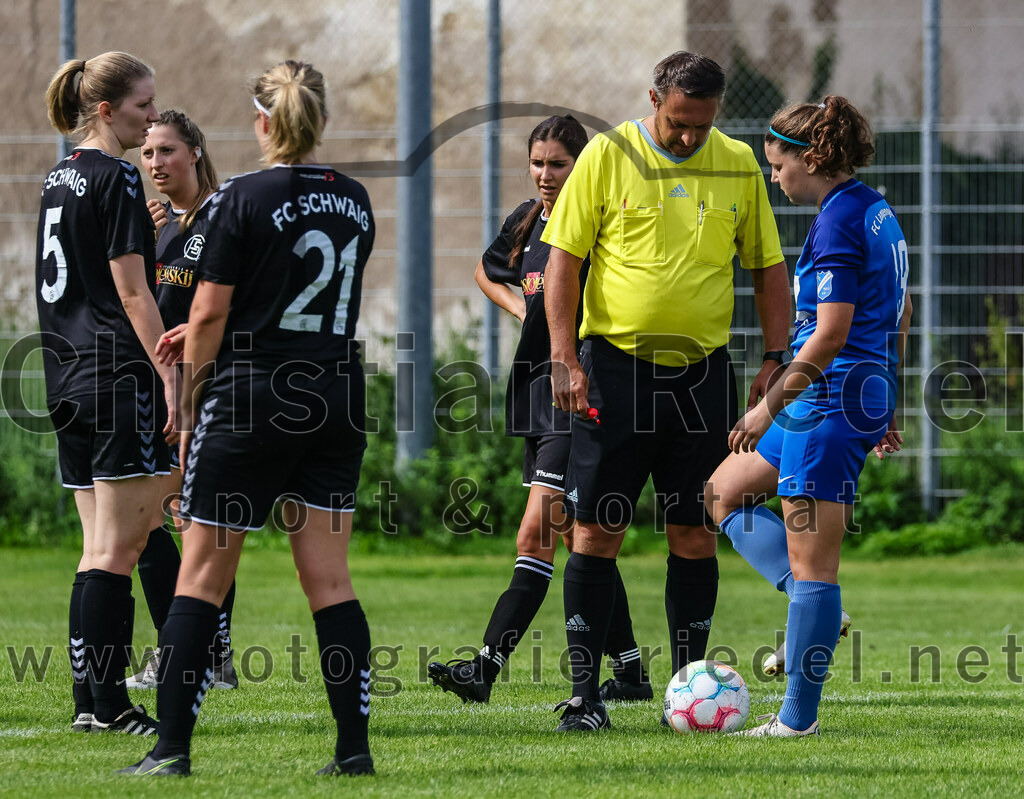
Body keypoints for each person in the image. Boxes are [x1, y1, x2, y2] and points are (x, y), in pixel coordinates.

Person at [120, 60, 376, 778]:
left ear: (262, 123)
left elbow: (209, 311)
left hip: (252, 396)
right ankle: (353, 750)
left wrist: (188, 395)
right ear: (319, 118)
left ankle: (170, 749)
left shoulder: (239, 197)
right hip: (332, 394)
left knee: (200, 575)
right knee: (329, 579)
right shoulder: (355, 200)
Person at [542, 50, 792, 731]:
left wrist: (775, 355)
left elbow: (768, 266)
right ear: (654, 97)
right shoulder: (606, 155)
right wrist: (564, 356)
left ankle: (686, 687)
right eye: (679, 122)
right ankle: (585, 695)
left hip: (703, 377)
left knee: (694, 530)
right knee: (596, 529)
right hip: (615, 371)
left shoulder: (737, 161)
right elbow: (564, 261)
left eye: (702, 124)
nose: (689, 137)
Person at [704, 96, 911, 737]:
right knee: (721, 492)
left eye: (778, 164)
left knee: (815, 562)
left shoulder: (840, 221)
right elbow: (901, 310)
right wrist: (888, 396)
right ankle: (804, 604)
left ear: (810, 156)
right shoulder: (871, 209)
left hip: (827, 399)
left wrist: (767, 409)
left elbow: (828, 335)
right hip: (842, 395)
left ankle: (796, 719)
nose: (774, 176)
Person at [427, 116, 651, 705]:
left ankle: (485, 667)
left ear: (583, 165)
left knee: (537, 532)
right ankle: (629, 670)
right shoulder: (528, 219)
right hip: (536, 395)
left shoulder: (598, 222)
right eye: (538, 163)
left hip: (582, 395)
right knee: (585, 540)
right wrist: (525, 311)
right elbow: (486, 270)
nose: (546, 175)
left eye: (558, 164)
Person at [38, 51, 172, 736]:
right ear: (104, 109)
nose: (152, 117)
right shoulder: (115, 175)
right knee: (122, 546)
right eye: (143, 105)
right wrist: (170, 372)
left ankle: (89, 702)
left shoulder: (57, 176)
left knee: (97, 545)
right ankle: (113, 702)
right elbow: (131, 289)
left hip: (62, 375)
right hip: (115, 373)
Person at [126, 110, 238, 691]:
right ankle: (201, 655)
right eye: (147, 154)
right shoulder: (166, 227)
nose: (154, 164)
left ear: (195, 151)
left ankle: (192, 655)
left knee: (183, 522)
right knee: (170, 523)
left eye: (166, 151)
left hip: (208, 391)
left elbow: (222, 310)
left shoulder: (221, 218)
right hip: (165, 393)